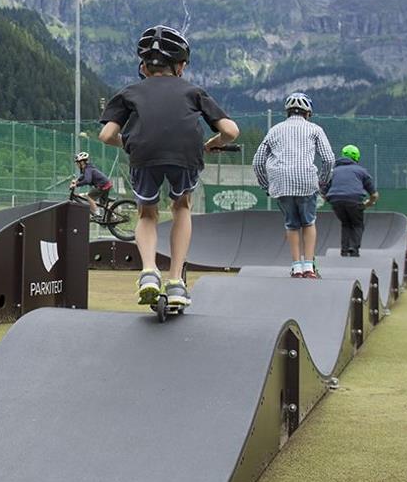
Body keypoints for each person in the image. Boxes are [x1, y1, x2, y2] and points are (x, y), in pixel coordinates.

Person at [97, 25, 239, 307]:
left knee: (147, 213)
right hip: (186, 153)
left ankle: (149, 272)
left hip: (144, 153)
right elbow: (231, 132)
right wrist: (212, 144)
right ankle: (176, 282)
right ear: (181, 66)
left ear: (144, 67)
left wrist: (130, 143)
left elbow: (106, 135)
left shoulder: (129, 92)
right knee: (181, 207)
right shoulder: (193, 91)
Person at [251, 92, 334, 278]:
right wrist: (322, 181)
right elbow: (329, 160)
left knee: (291, 224)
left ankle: (296, 266)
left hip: (281, 182)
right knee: (309, 222)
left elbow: (257, 162)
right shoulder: (315, 129)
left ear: (287, 112)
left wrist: (266, 185)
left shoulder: (275, 130)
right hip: (306, 180)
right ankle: (309, 267)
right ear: (308, 113)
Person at [323, 144, 378, 257]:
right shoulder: (361, 171)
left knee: (346, 224)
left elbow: (323, 192)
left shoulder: (333, 171)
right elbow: (374, 194)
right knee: (357, 224)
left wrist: (332, 200)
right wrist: (369, 203)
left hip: (336, 201)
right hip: (354, 200)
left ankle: (344, 250)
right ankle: (354, 249)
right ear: (356, 157)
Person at [70, 151, 113, 217]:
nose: (77, 165)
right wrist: (77, 180)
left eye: (78, 163)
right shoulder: (88, 168)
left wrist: (76, 185)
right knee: (103, 204)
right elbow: (83, 176)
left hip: (102, 185)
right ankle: (112, 217)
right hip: (106, 184)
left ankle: (97, 213)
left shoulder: (88, 169)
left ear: (82, 162)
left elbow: (87, 180)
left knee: (89, 196)